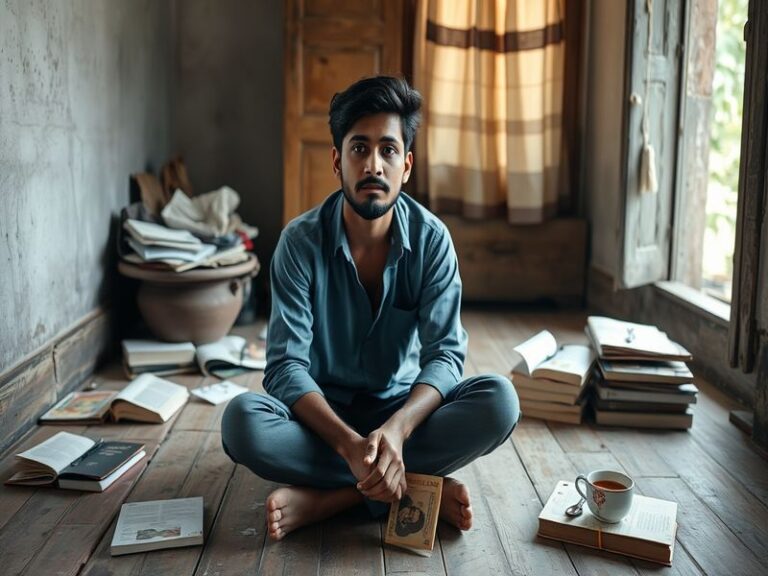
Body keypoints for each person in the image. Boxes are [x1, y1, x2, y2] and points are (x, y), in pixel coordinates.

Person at [222, 76, 520, 541]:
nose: (373, 165)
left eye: (388, 150)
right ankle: (413, 487)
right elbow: (285, 367)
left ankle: (330, 501)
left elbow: (445, 356)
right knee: (242, 423)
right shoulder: (299, 243)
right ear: (337, 161)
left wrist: (397, 430)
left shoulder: (432, 240)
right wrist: (349, 445)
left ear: (407, 165)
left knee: (500, 402)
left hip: (403, 413)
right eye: (359, 148)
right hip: (322, 420)